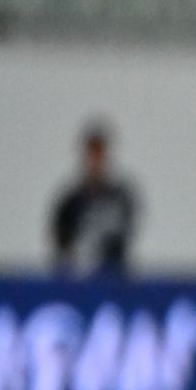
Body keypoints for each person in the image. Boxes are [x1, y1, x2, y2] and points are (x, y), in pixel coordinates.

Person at [50, 119, 140, 277]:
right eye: (93, 154)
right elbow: (61, 245)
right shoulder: (71, 202)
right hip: (80, 277)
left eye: (100, 154)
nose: (96, 161)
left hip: (114, 277)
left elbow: (125, 237)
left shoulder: (121, 198)